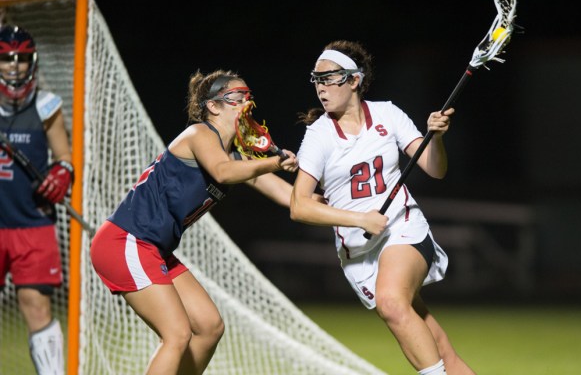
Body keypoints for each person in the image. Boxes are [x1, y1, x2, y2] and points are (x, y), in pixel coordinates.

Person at [89, 69, 301, 375]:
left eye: (248, 97)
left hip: (153, 248)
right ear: (213, 106)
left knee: (209, 326)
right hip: (127, 241)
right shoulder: (199, 135)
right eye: (237, 98)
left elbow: (289, 196)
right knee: (177, 334)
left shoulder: (237, 158)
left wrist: (340, 209)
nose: (246, 104)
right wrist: (273, 161)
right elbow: (223, 173)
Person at [290, 40, 475, 375]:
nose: (321, 87)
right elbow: (299, 206)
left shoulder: (387, 114)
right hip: (359, 253)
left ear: (353, 80)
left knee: (391, 301)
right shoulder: (318, 135)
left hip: (401, 227)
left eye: (329, 78)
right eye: (316, 80)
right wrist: (358, 218)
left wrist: (436, 138)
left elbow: (435, 168)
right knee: (440, 349)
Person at [0, 24, 70, 375]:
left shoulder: (46, 105)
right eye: (6, 58)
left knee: (35, 305)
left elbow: (64, 157)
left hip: (32, 223)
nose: (14, 65)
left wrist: (62, 173)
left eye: (21, 58)